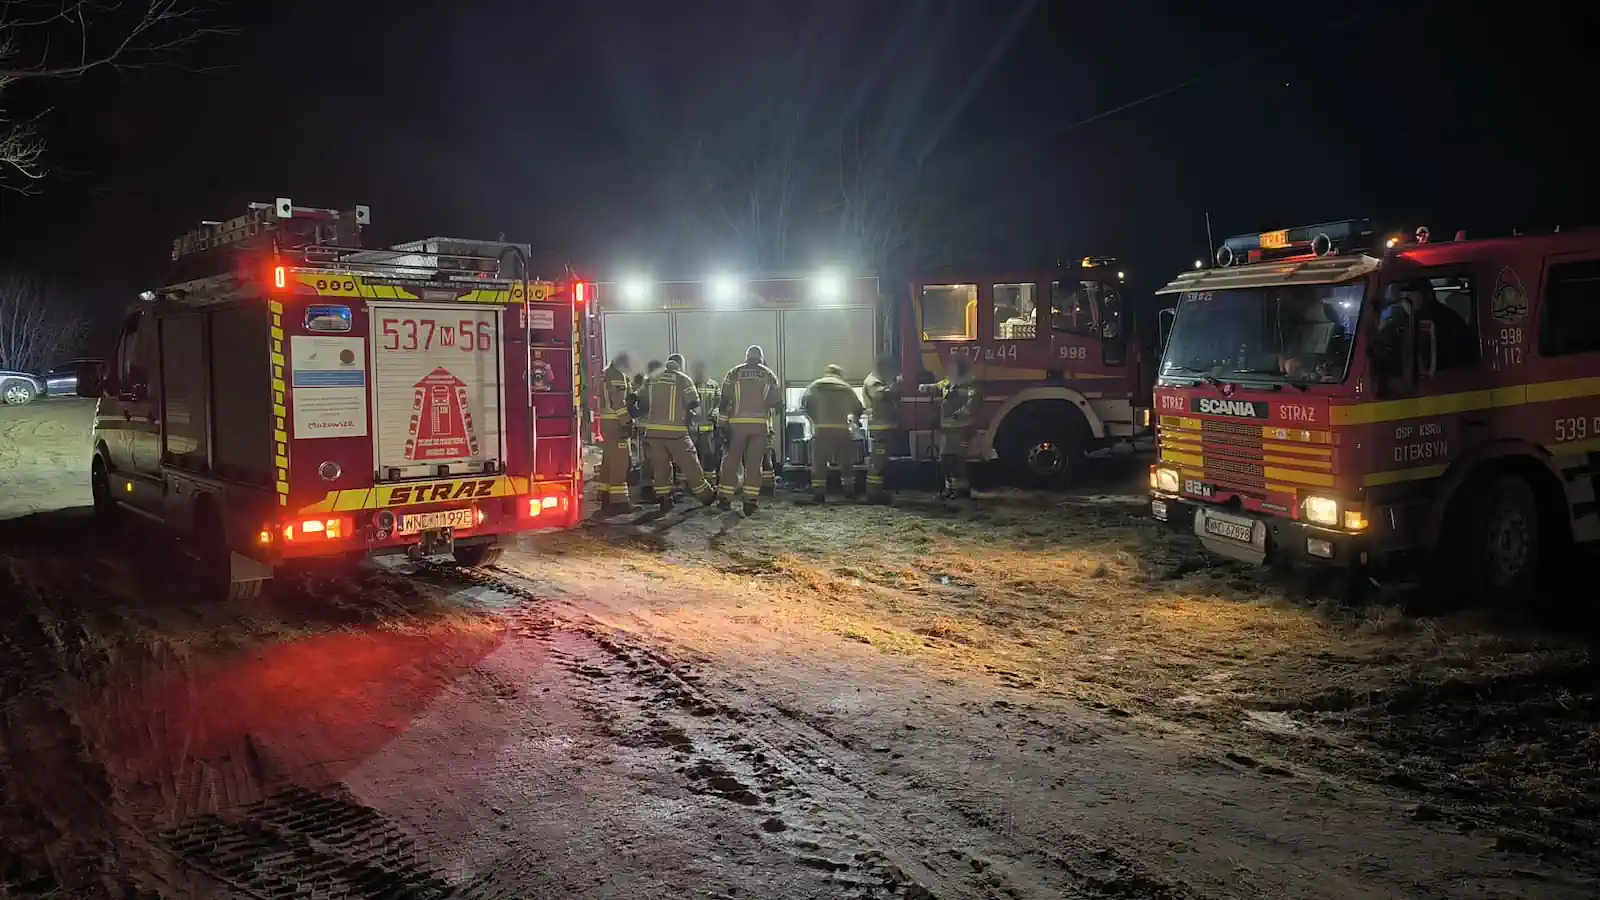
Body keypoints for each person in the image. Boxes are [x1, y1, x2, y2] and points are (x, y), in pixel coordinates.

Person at [638, 356, 715, 511]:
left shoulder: (652, 379)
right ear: (680, 365)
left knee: (661, 466)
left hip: (653, 432)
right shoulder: (683, 379)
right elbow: (694, 401)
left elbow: (640, 400)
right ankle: (706, 495)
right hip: (676, 432)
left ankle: (664, 498)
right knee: (690, 464)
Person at [717, 345, 781, 516]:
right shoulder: (769, 375)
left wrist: (722, 425)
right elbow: (777, 405)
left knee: (731, 461)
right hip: (759, 426)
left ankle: (725, 497)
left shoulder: (734, 373)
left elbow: (723, 402)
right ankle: (750, 501)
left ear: (746, 357)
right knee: (754, 464)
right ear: (760, 358)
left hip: (736, 425)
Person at [800, 364, 864, 504]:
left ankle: (819, 494)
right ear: (839, 374)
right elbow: (859, 408)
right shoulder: (846, 387)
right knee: (846, 462)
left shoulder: (815, 386)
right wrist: (854, 420)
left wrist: (814, 420)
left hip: (821, 428)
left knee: (819, 463)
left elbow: (804, 405)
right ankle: (849, 492)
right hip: (841, 428)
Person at [921, 356, 980, 499]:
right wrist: (925, 387)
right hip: (948, 429)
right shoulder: (948, 382)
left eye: (953, 368)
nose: (950, 371)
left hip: (962, 429)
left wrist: (959, 414)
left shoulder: (971, 384)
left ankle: (962, 490)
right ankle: (951, 489)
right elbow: (937, 386)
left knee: (957, 461)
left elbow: (974, 402)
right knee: (946, 459)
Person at [596, 351, 635, 513]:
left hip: (607, 423)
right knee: (620, 461)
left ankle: (605, 495)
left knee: (608, 461)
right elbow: (618, 402)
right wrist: (626, 421)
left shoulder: (605, 375)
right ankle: (619, 502)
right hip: (616, 424)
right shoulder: (617, 376)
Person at [861, 356, 903, 504]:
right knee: (877, 462)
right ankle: (873, 495)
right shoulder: (873, 382)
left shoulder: (879, 380)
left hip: (885, 427)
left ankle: (877, 492)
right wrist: (896, 386)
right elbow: (881, 395)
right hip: (880, 427)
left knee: (881, 461)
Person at [689, 359, 721, 474]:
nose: (699, 372)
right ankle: (694, 482)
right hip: (692, 430)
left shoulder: (713, 385)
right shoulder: (689, 384)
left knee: (709, 455)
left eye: (701, 370)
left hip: (708, 429)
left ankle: (710, 480)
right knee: (691, 457)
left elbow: (719, 403)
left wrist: (716, 412)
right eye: (696, 370)